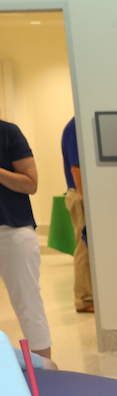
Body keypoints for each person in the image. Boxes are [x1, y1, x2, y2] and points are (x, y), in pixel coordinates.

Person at [0, 118, 52, 363]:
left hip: (12, 232)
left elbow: (31, 184)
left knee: (28, 305)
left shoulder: (8, 132)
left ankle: (45, 376)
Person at [62, 117, 93, 313]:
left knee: (88, 247)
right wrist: (86, 199)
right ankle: (85, 299)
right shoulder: (75, 126)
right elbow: (76, 167)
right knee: (84, 246)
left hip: (82, 194)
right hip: (80, 194)